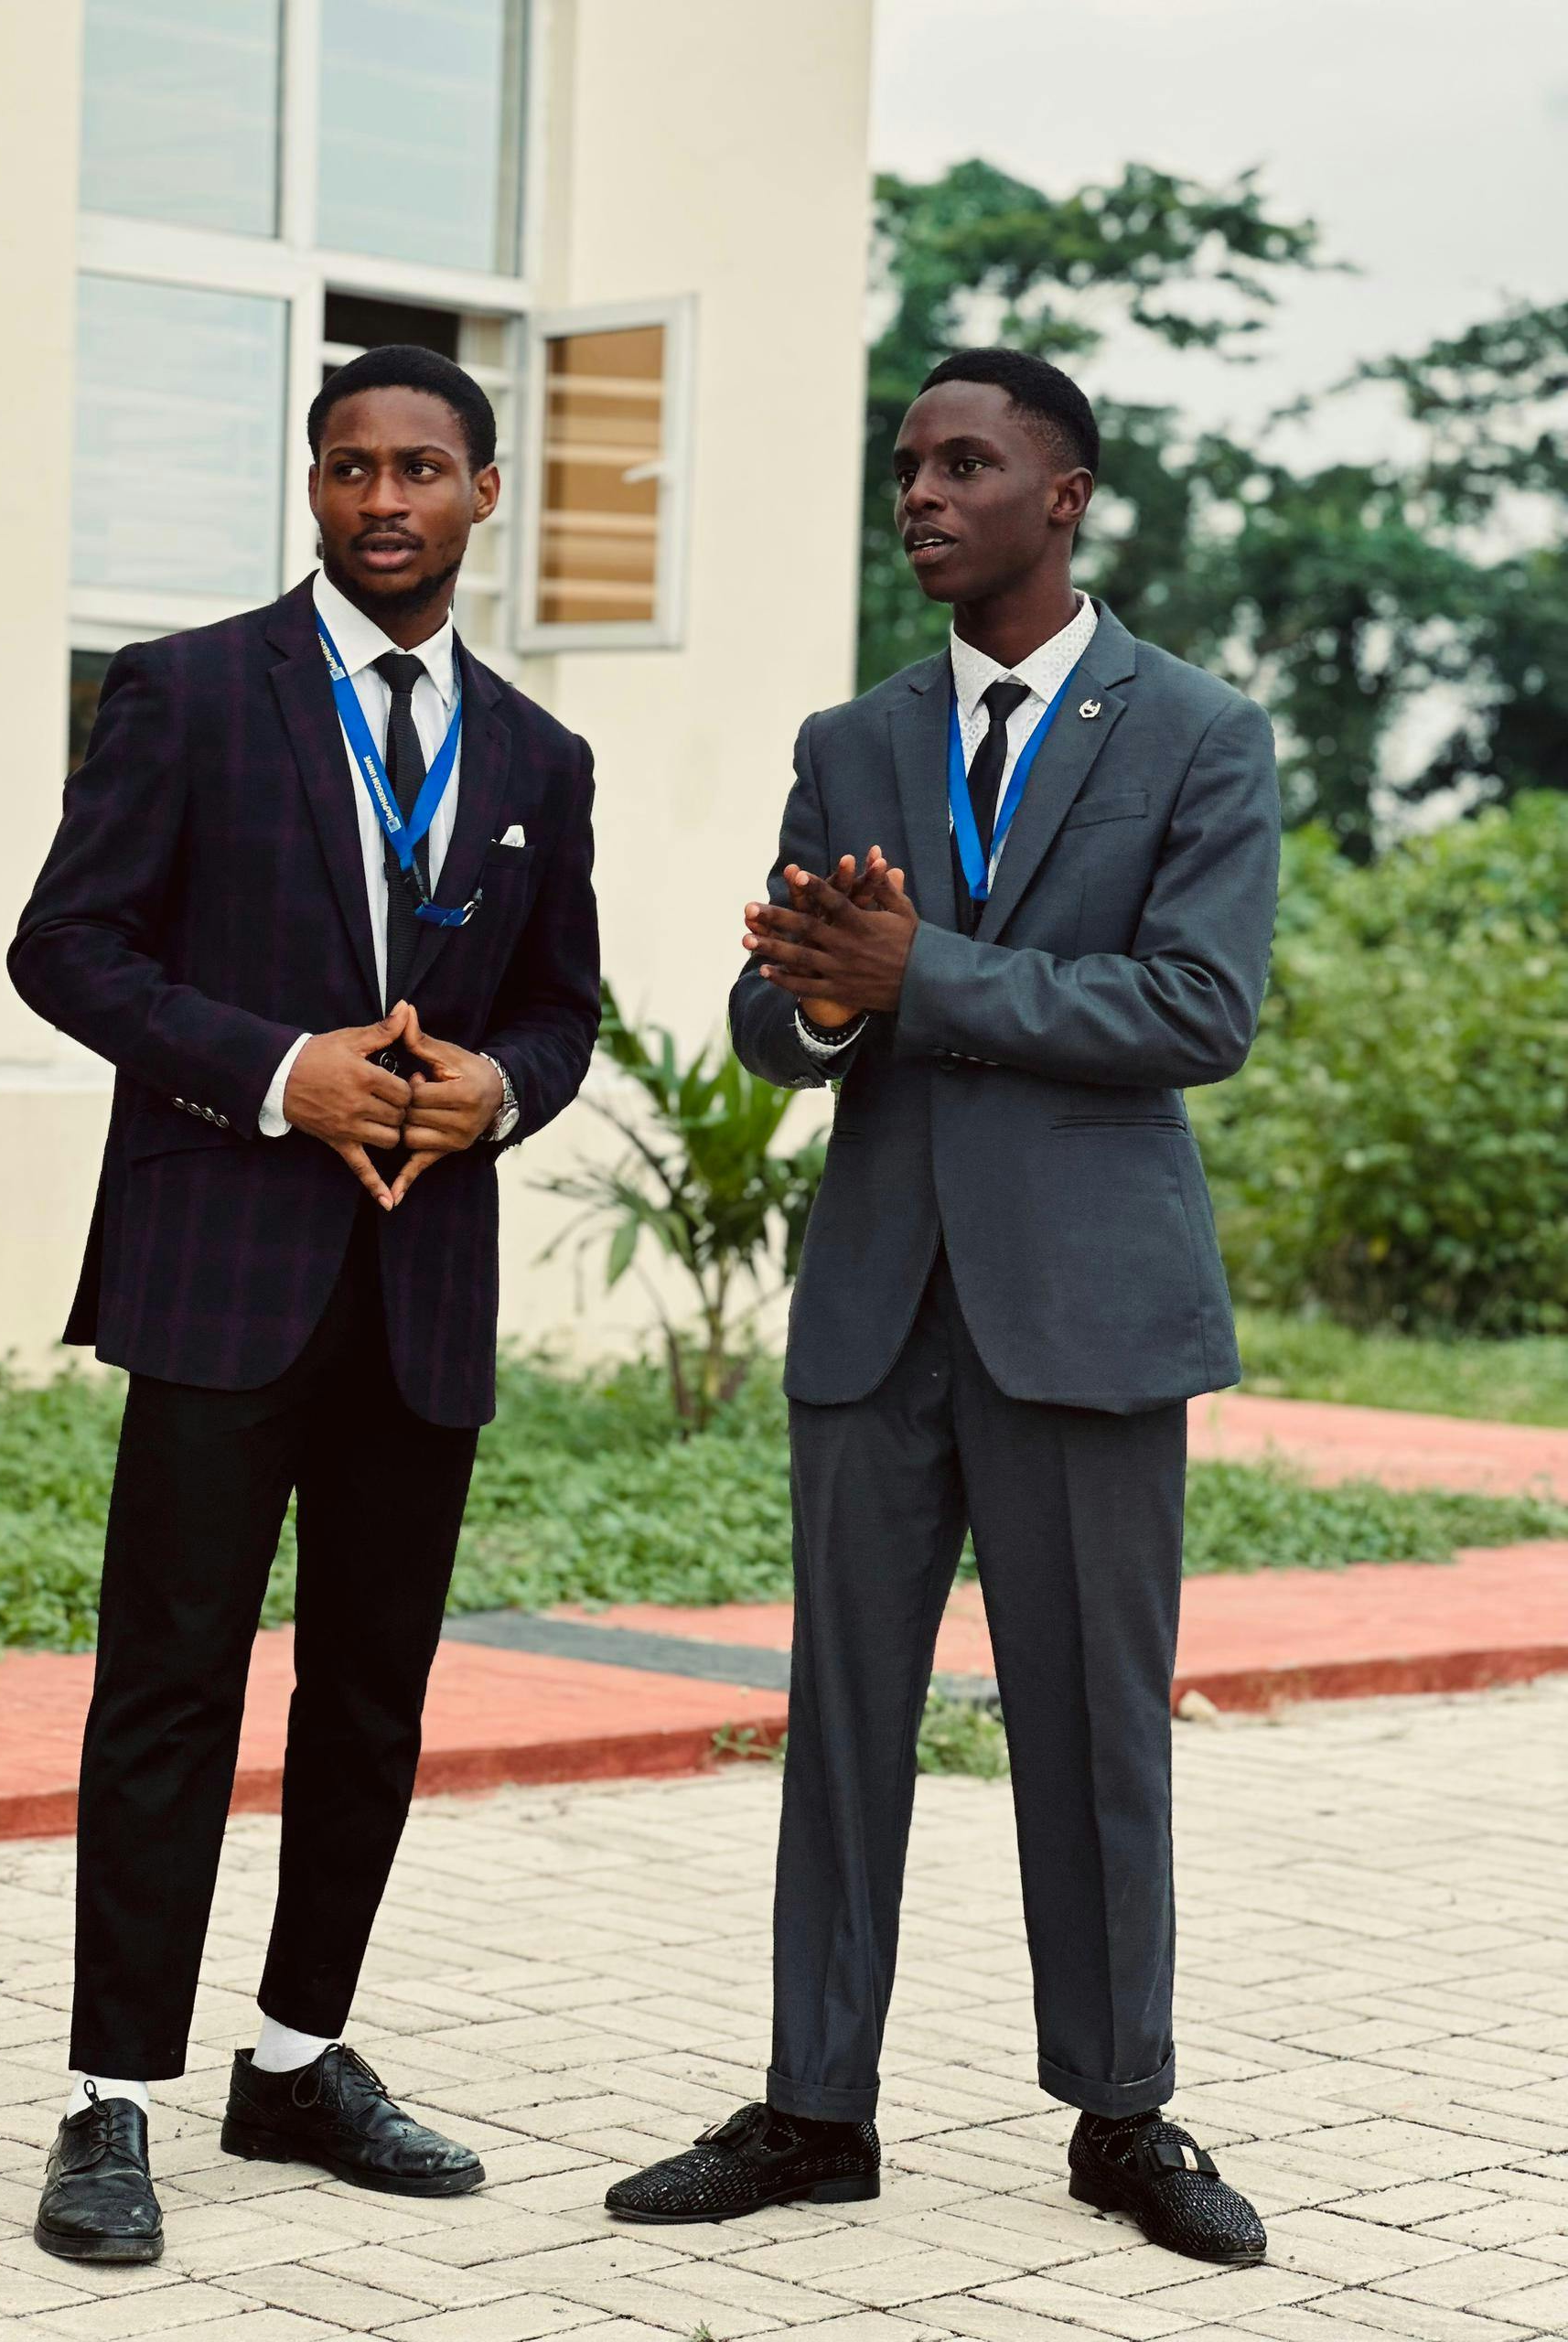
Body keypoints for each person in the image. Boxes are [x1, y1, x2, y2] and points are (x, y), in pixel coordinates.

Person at [605, 349, 1277, 2265]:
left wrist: (926, 967)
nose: (922, 491)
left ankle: (1124, 2110)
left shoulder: (1200, 733)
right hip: (881, 1306)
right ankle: (816, 2103)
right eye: (907, 462)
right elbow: (778, 1014)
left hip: (1088, 1310)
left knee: (1094, 1730)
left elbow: (1195, 1012)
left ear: (1063, 496)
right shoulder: (855, 735)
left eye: (965, 462)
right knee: (842, 1719)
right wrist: (822, 996)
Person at [10, 344, 599, 2262]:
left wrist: (492, 1089)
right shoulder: (187, 691)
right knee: (167, 1689)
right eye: (351, 467)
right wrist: (283, 1070)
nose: (384, 501)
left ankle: (297, 2055)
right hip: (219, 1271)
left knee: (369, 1693)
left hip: (417, 1288)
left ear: (481, 495)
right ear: (315, 485)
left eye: (423, 467)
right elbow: (66, 945)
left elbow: (560, 1011)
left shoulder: (535, 756)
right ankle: (114, 2101)